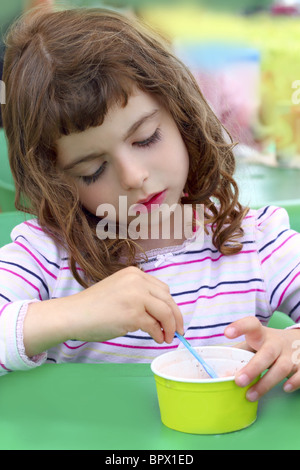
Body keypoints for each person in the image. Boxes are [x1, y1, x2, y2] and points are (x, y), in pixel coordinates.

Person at [1, 7, 300, 404]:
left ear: (182, 117)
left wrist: (291, 345)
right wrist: (72, 314)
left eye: (145, 138)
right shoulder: (46, 257)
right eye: (92, 169)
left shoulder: (257, 243)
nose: (133, 176)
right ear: (55, 180)